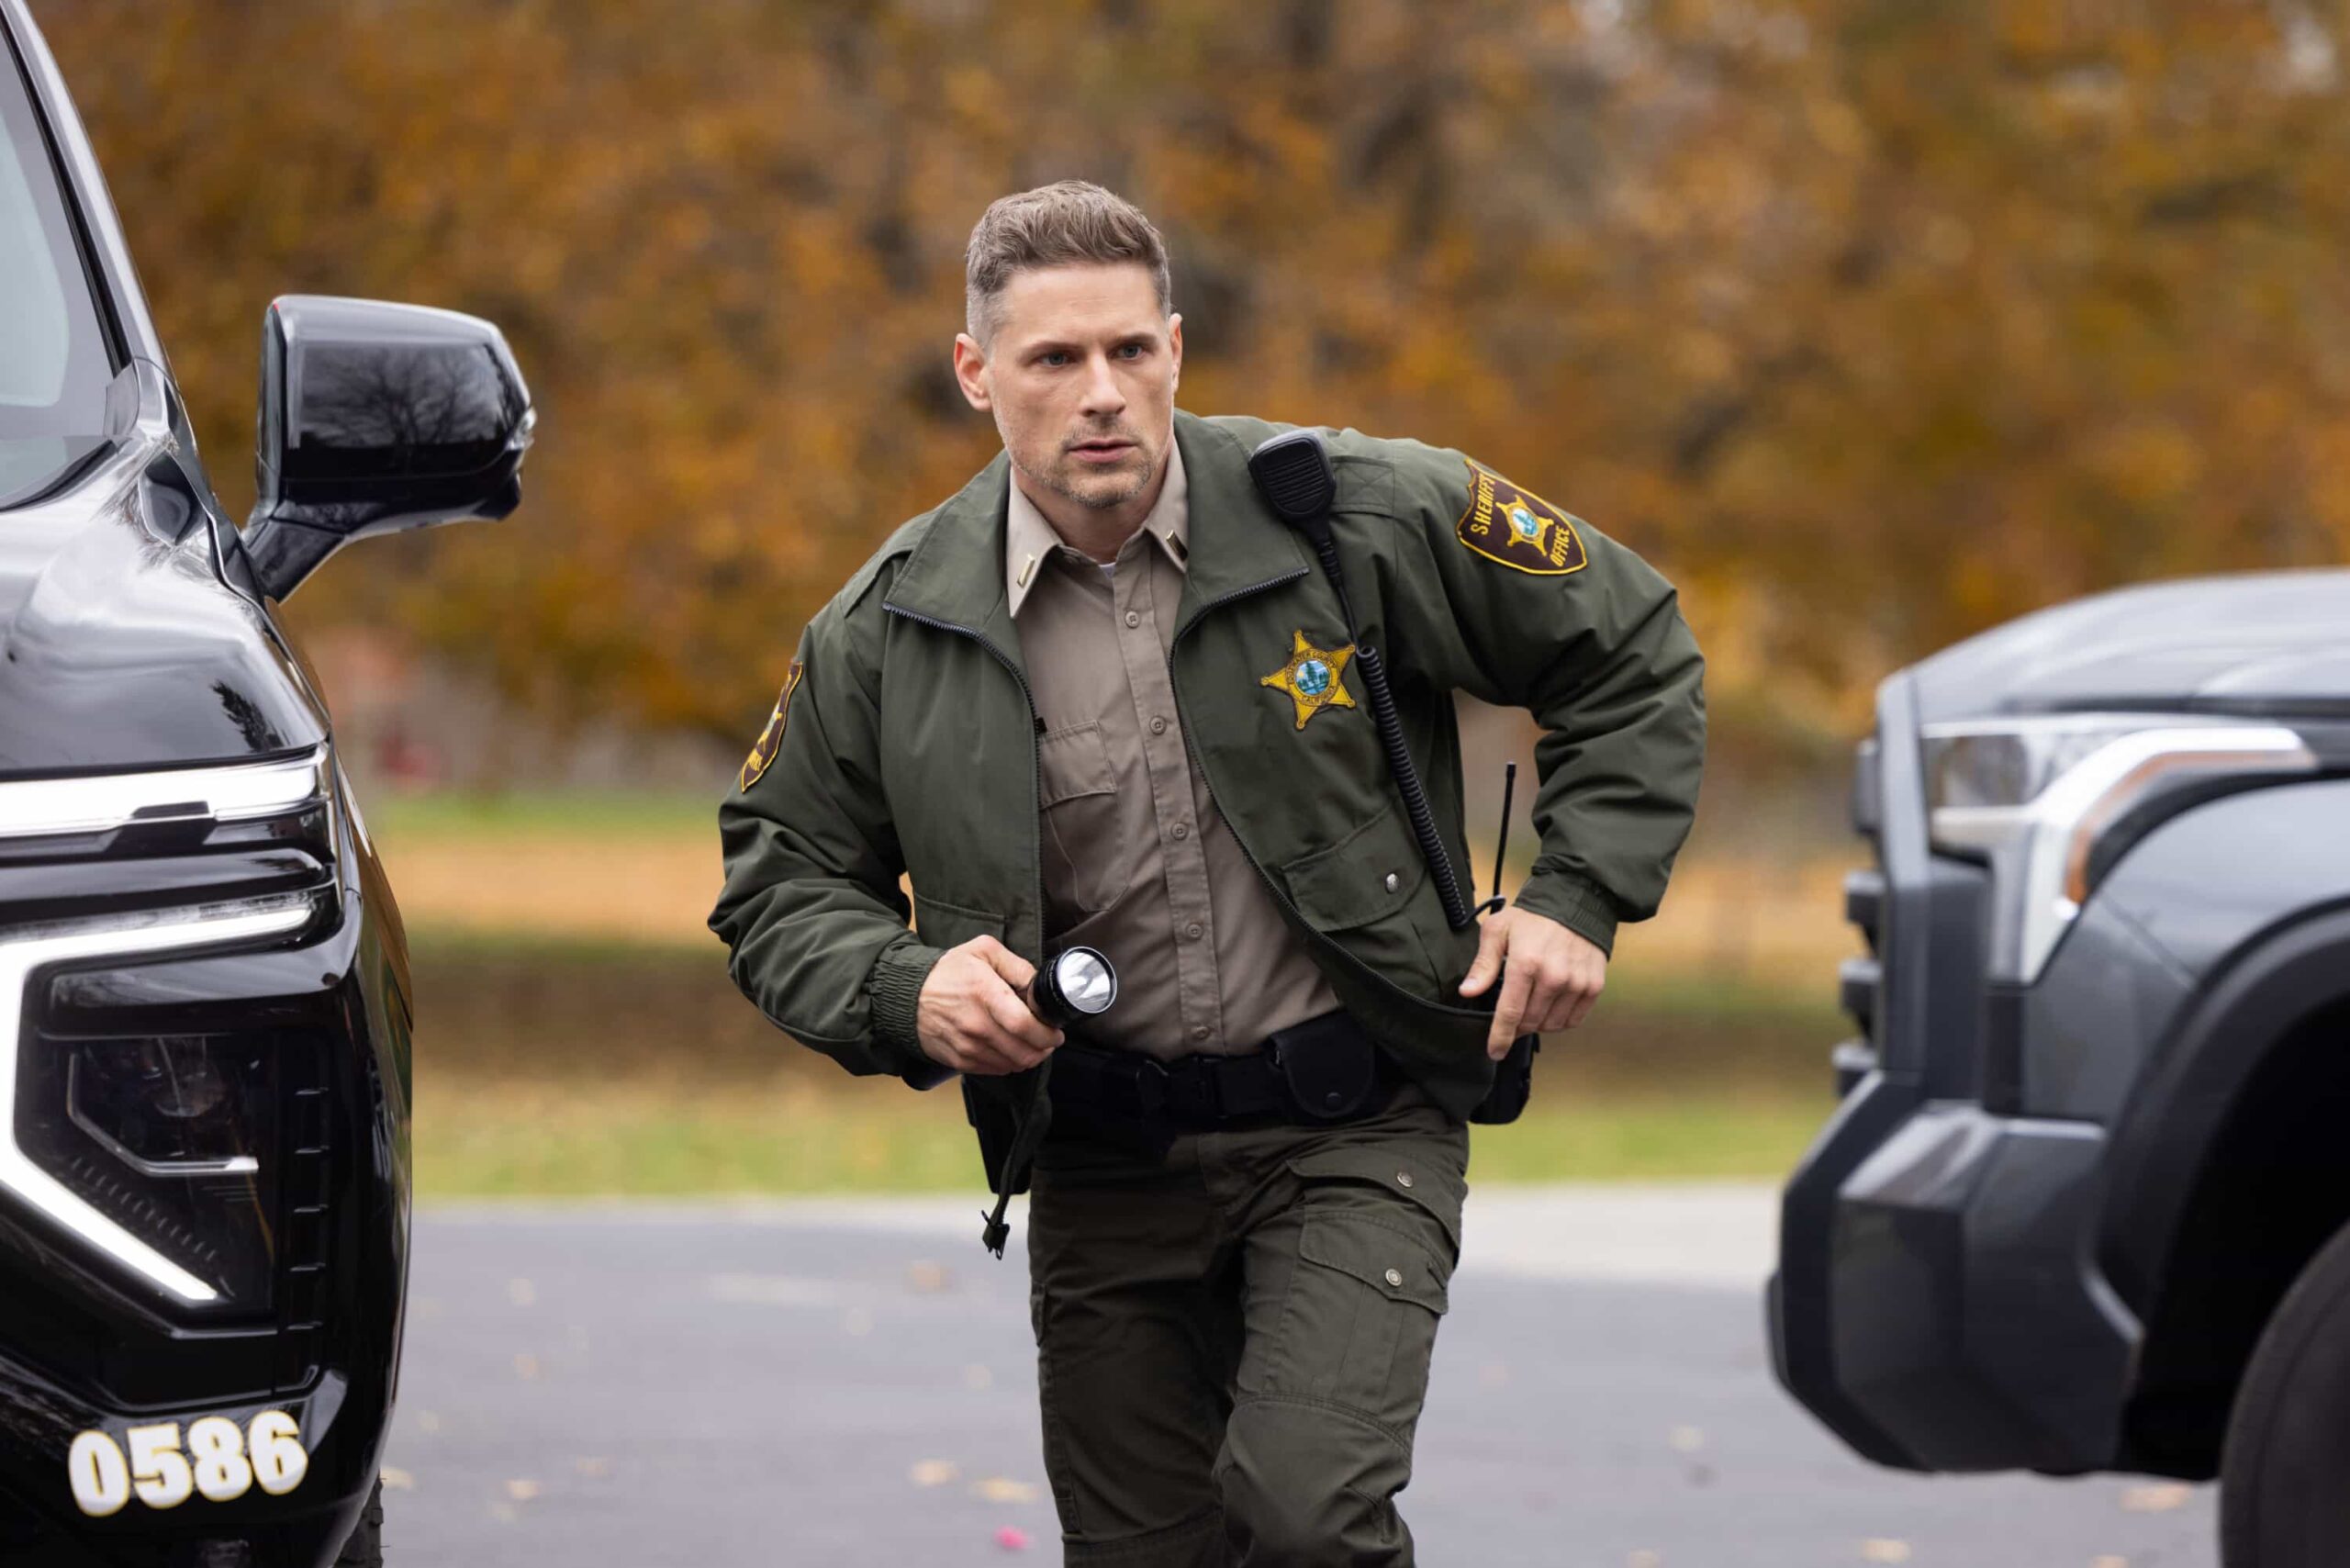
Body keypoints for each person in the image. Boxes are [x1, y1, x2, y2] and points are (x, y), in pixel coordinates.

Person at [711, 180, 1705, 1566]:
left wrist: (1573, 897)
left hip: (1354, 1126)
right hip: (1106, 1160)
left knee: (1306, 1517)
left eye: (1132, 350)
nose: (1102, 392)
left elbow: (1633, 651)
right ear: (976, 374)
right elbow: (777, 876)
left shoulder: (1349, 513)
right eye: (1055, 359)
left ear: (1177, 345)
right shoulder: (891, 624)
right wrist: (904, 985)